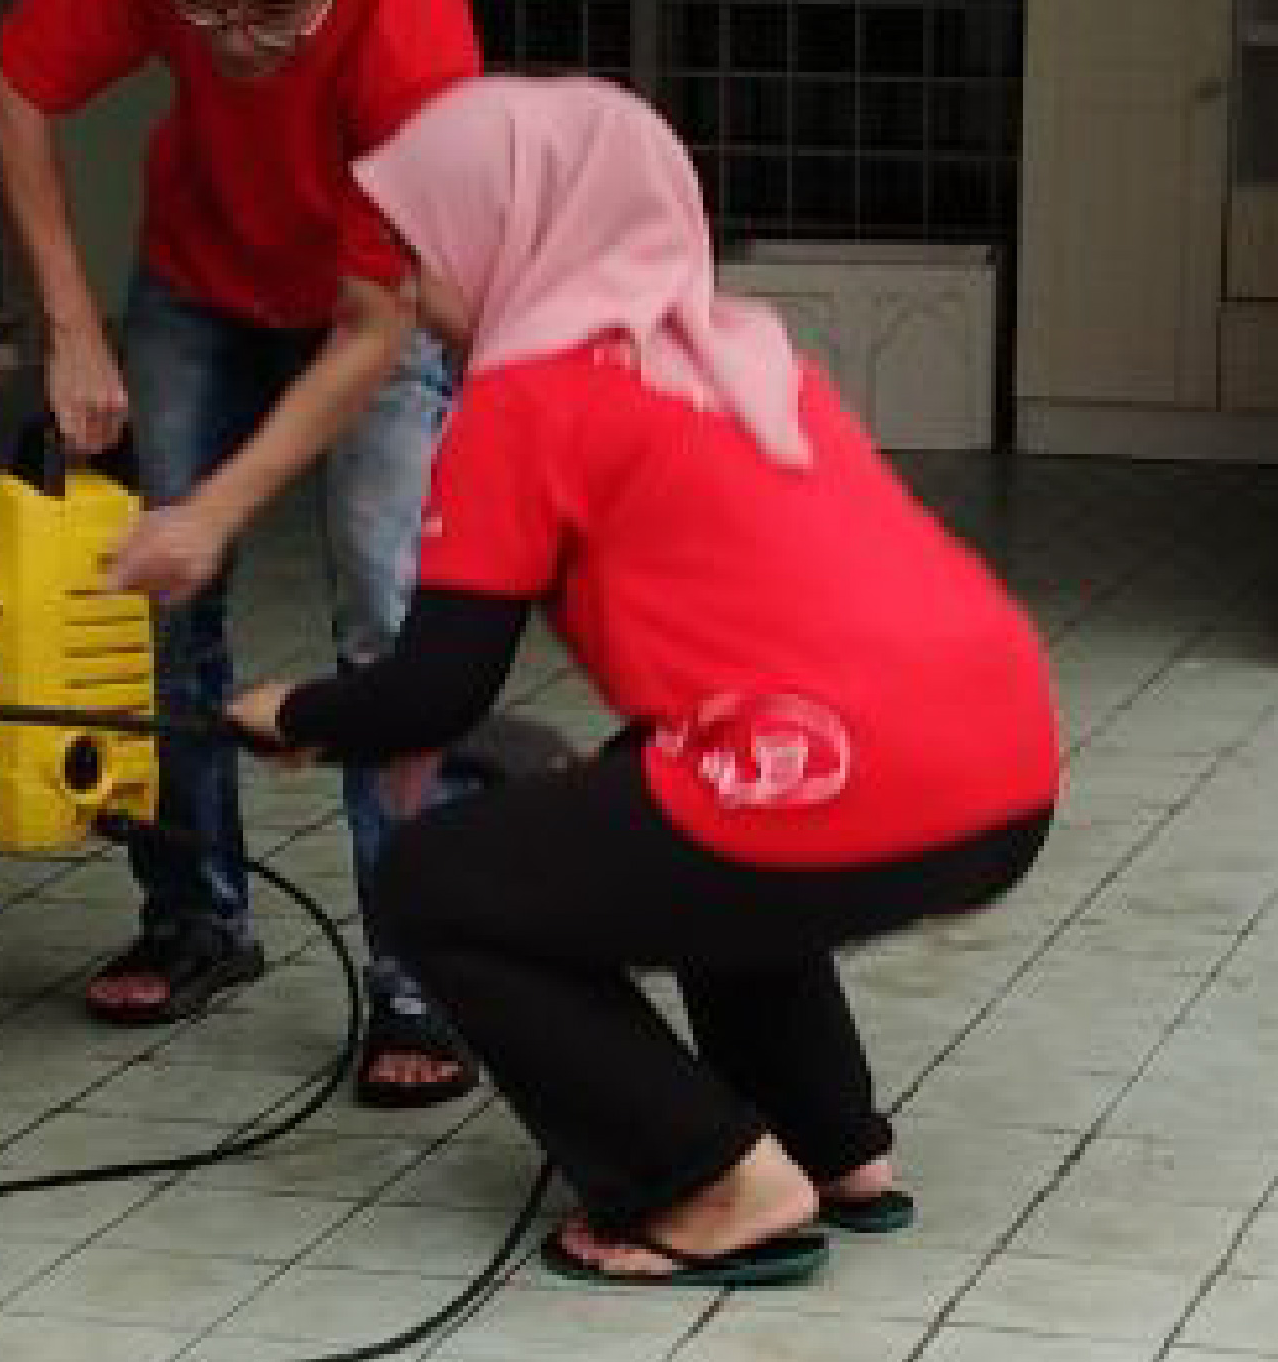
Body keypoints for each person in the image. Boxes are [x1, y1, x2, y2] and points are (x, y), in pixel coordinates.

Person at [232, 76, 1061, 1289]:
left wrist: (295, 713)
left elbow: (433, 695)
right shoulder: (738, 349)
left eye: (429, 250)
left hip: (841, 785)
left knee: (433, 883)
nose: (414, 293)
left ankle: (709, 1179)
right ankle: (832, 1141)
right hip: (1004, 781)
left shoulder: (526, 400)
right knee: (666, 797)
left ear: (510, 234)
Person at [0, 0, 485, 1103]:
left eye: (275, 9)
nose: (235, 35)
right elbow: (14, 91)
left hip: (367, 308)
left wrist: (217, 510)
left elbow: (376, 333)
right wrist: (72, 324)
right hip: (198, 275)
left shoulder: (420, 51)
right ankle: (196, 915)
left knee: (387, 619)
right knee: (156, 601)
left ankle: (424, 974)